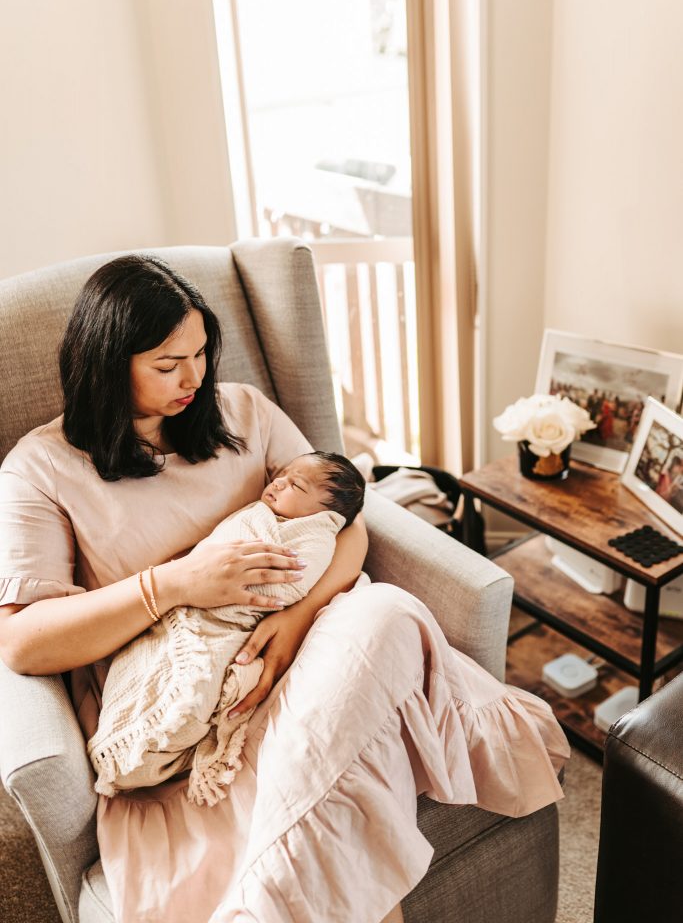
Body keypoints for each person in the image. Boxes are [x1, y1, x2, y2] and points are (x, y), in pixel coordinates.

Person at [0, 255, 569, 923]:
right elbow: (24, 643)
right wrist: (175, 584)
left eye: (201, 353)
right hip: (202, 704)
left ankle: (277, 889)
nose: (194, 378)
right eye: (166, 365)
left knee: (386, 610)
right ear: (105, 362)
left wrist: (297, 618)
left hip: (306, 652)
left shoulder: (244, 411)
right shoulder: (40, 470)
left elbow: (346, 524)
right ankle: (280, 894)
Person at [88, 452, 366, 804]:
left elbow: (291, 584)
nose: (278, 481)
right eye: (283, 474)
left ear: (325, 515)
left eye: (295, 484)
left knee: (194, 700)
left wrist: (258, 594)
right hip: (181, 610)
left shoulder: (314, 533)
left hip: (230, 624)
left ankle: (158, 750)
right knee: (146, 667)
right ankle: (124, 739)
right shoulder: (258, 515)